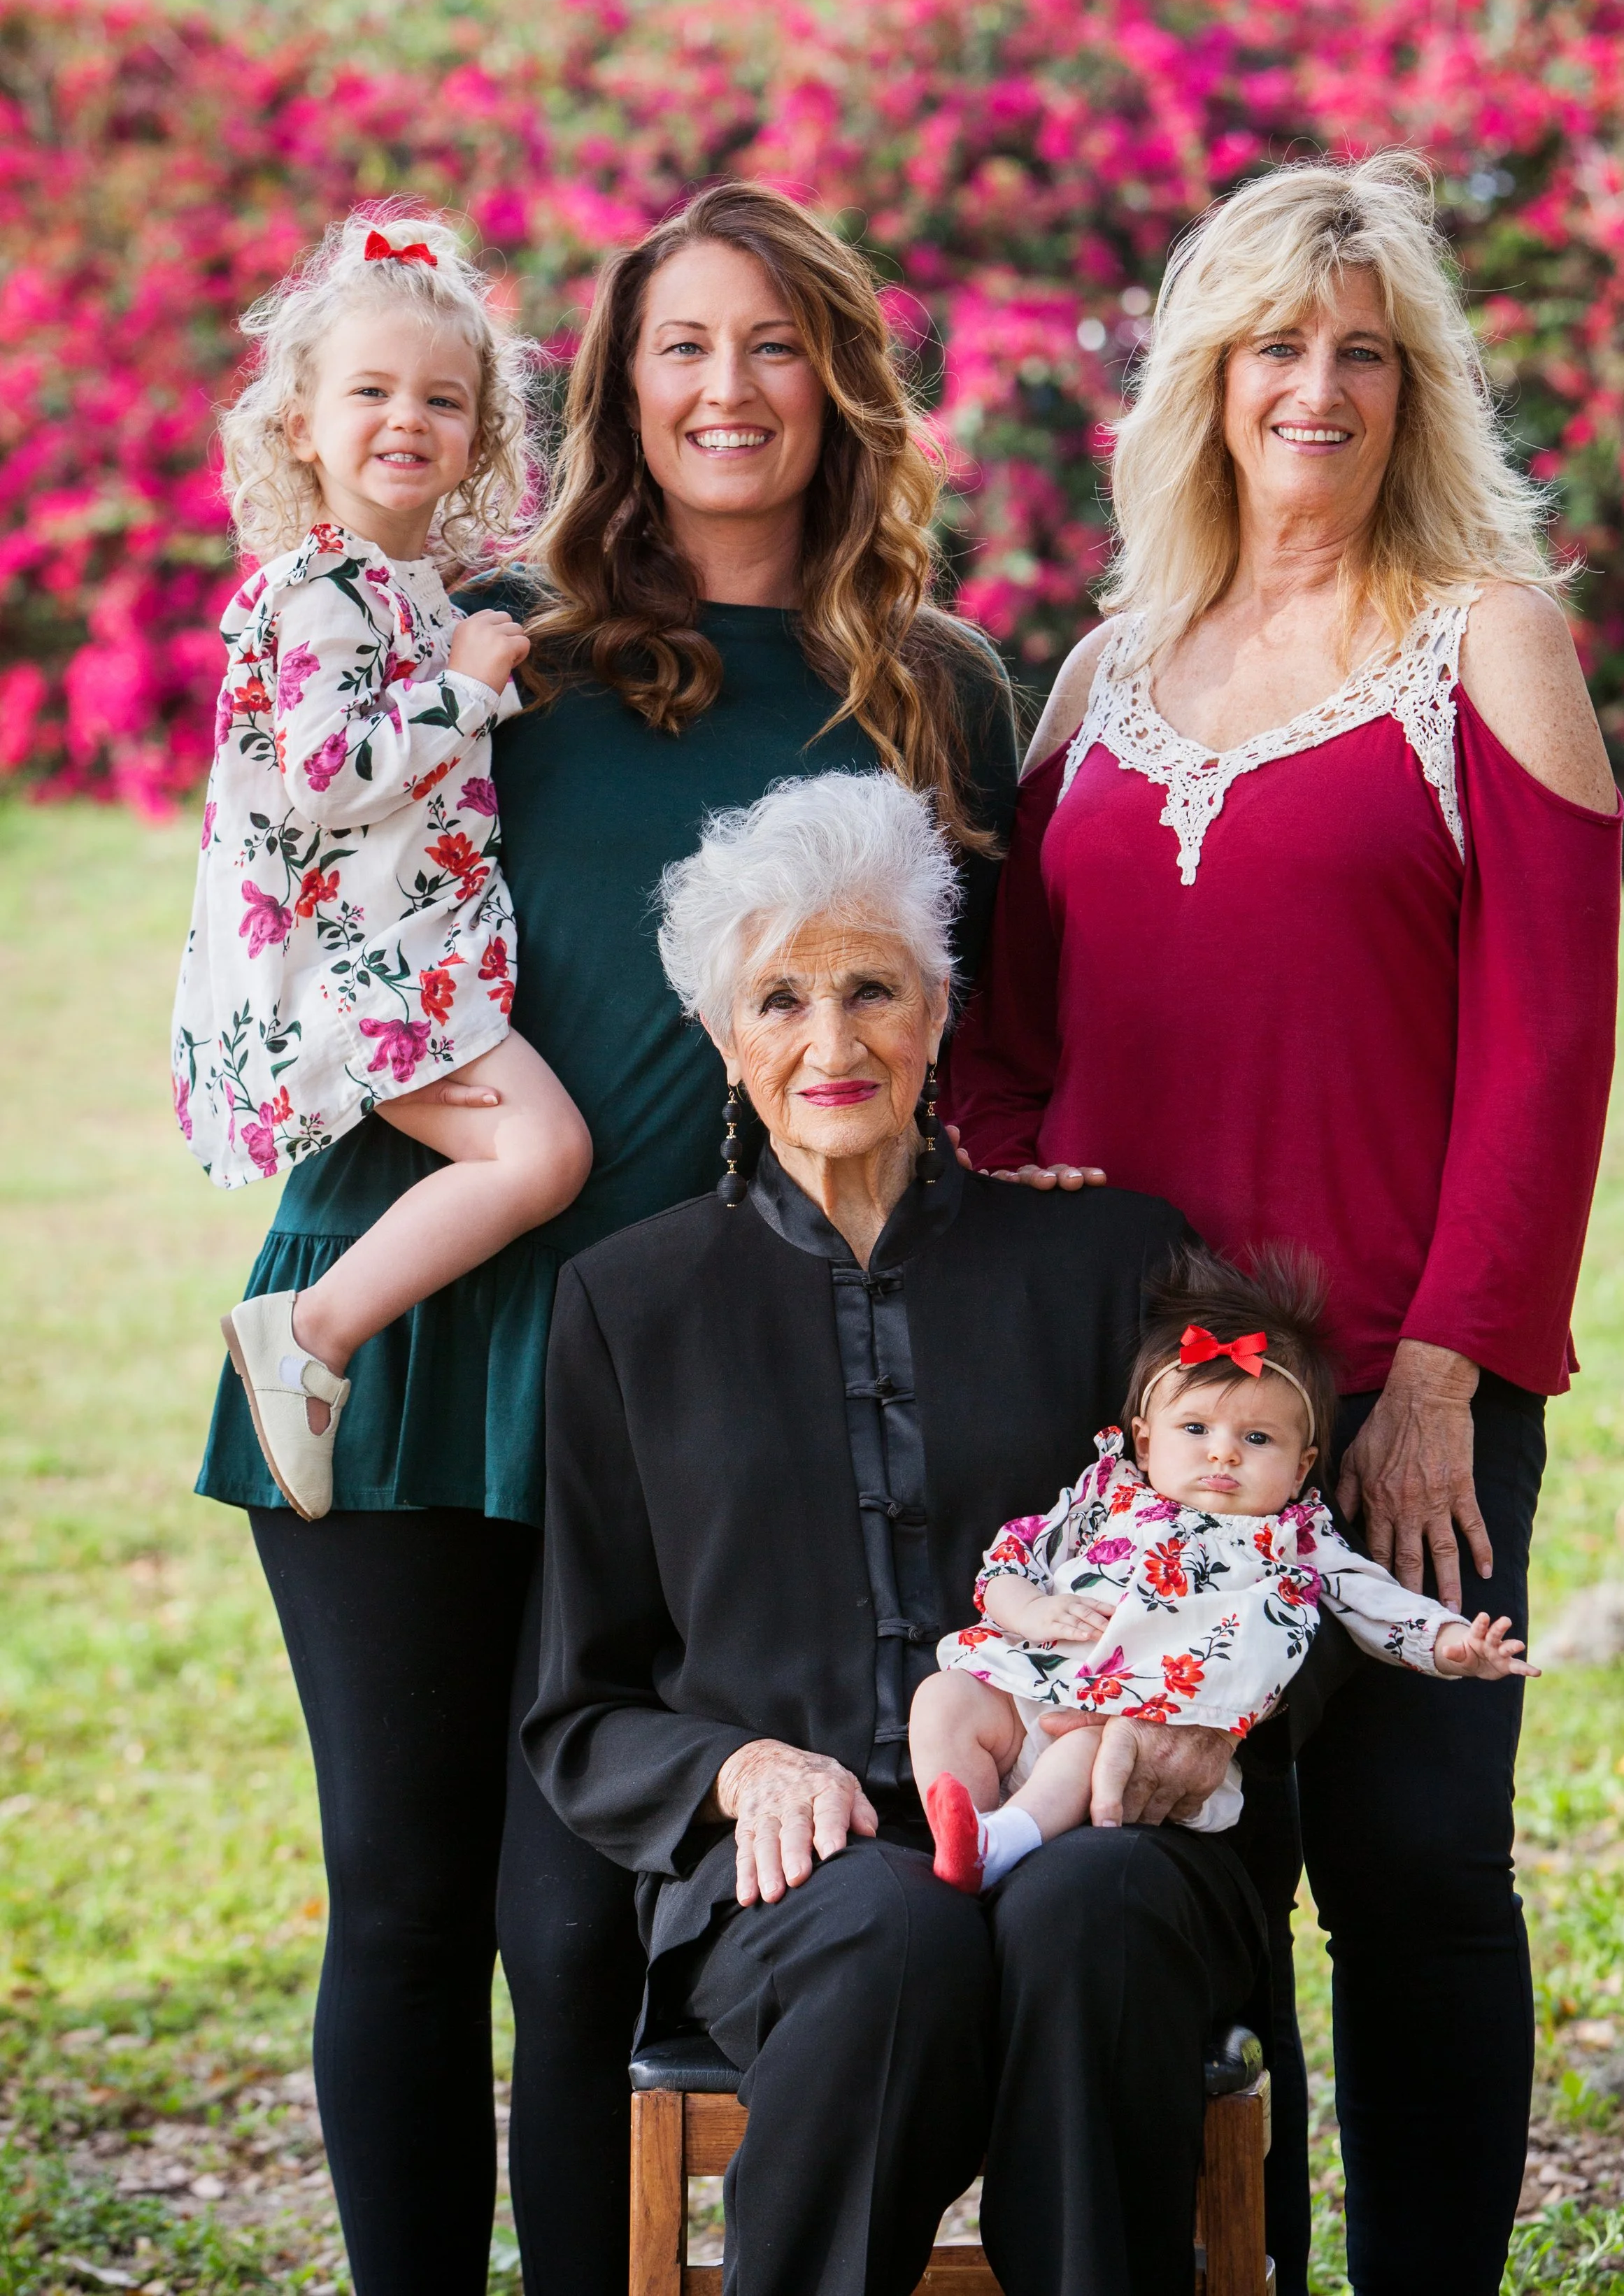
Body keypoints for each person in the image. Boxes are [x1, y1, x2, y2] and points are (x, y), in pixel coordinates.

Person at [193, 182, 1020, 2296]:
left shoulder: (929, 686)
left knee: (569, 1937)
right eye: (677, 345)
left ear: (835, 379)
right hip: (407, 1321)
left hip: (678, 1397)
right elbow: (283, 883)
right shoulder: (500, 649)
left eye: (769, 344)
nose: (724, 389)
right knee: (395, 1897)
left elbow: (979, 1051)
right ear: (617, 388)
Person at [945, 150, 1623, 2296]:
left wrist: (1434, 1369)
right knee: (1187, 1867)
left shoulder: (1482, 641)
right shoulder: (1096, 673)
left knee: (1413, 1865)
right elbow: (998, 1046)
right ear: (1200, 381)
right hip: (1140, 1430)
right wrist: (1024, 1204)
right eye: (1267, 344)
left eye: (1354, 347)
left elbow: (1546, 1047)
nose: (1310, 385)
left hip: (1401, 1382)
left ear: (1407, 383)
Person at [525, 771, 1268, 2296]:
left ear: (938, 1014)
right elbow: (578, 1700)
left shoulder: (1113, 1260)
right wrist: (735, 1768)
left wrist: (1217, 1727)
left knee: (1092, 1902)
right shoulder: (627, 1302)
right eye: (779, 997)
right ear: (725, 1044)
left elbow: (1271, 1550)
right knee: (884, 1936)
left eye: (872, 987)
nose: (829, 1037)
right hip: (791, 1871)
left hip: (1101, 1800)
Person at [173, 208, 592, 1520]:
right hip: (356, 968)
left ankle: (319, 1334)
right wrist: (468, 689)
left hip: (402, 948)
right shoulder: (322, 586)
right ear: (301, 422)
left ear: (478, 438)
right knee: (540, 1159)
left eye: (443, 398)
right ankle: (312, 1331)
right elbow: (327, 772)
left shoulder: (408, 587)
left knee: (534, 1159)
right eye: (371, 391)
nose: (407, 417)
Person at [916, 1246, 1533, 1895]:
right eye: (1195, 1427)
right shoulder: (1105, 1496)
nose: (1223, 1453)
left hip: (1134, 1725)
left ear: (1301, 1467)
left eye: (1257, 1439)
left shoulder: (1295, 1535)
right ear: (1145, 1442)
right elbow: (1009, 1562)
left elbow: (1376, 1600)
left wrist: (1452, 1644)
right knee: (945, 1698)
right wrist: (1030, 1610)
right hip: (1030, 1686)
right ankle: (966, 1837)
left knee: (1085, 1750)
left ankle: (999, 1845)